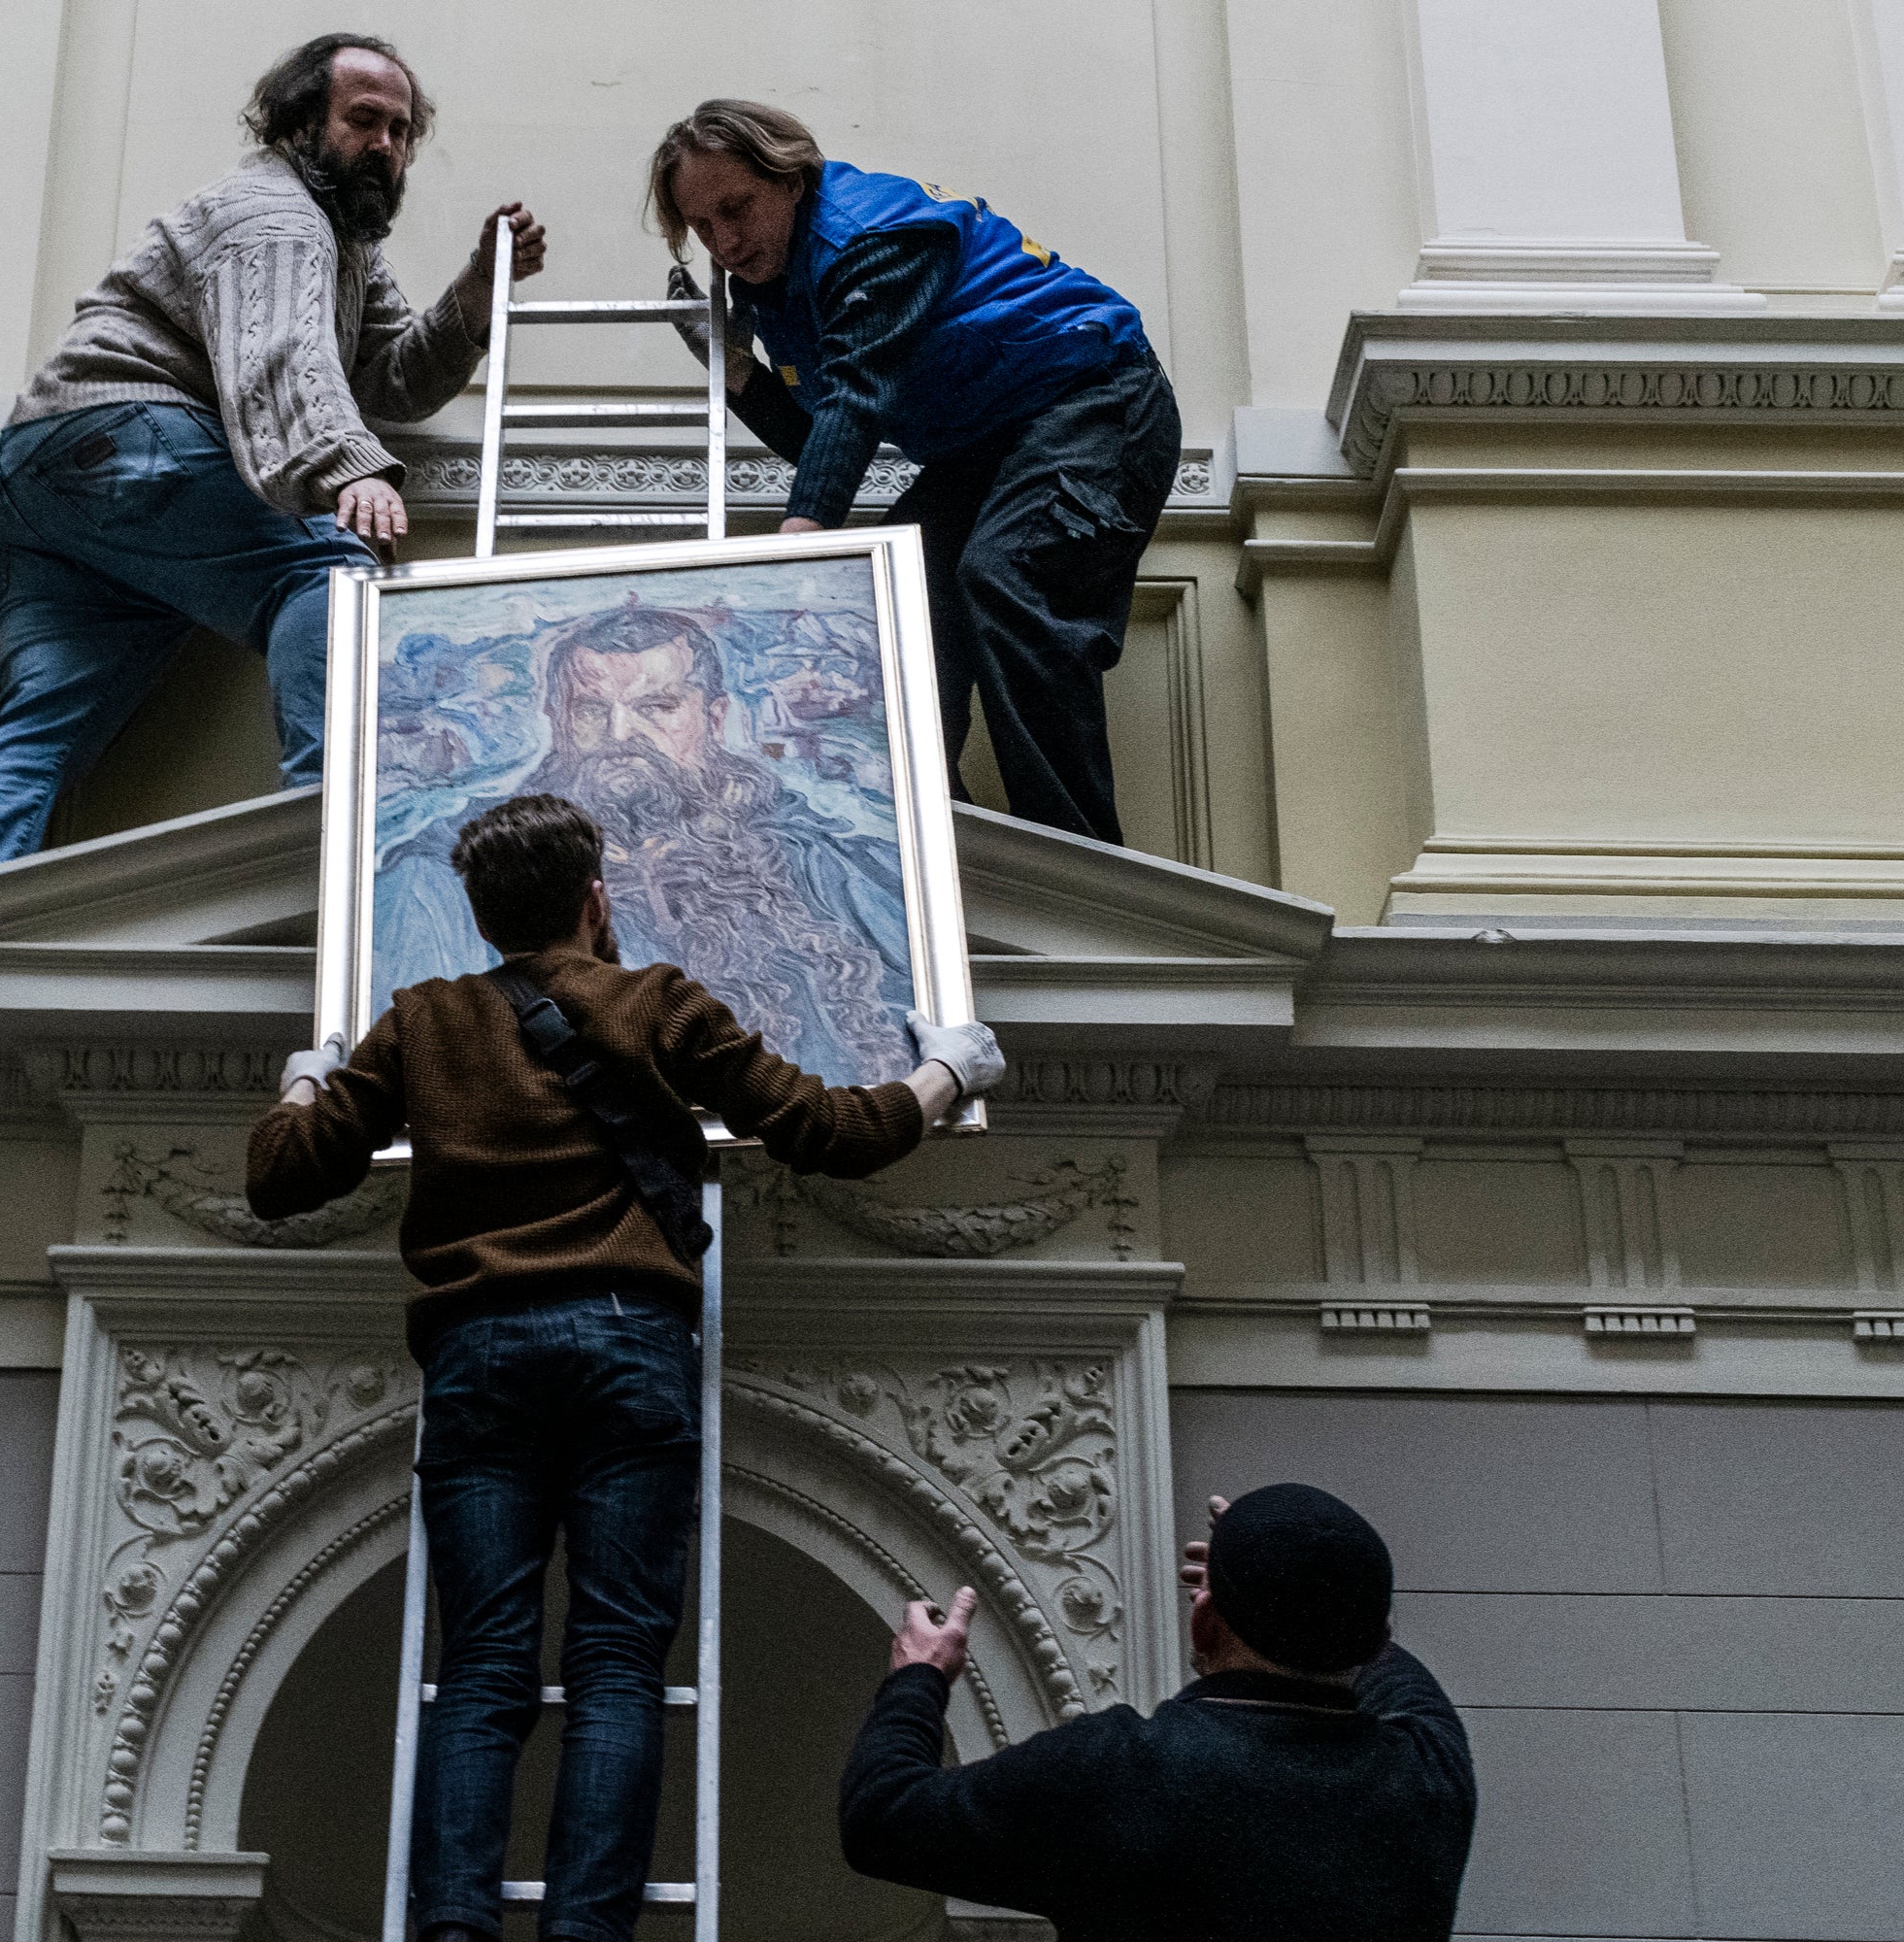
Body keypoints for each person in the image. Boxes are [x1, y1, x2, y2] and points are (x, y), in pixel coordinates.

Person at [248, 793, 1005, 1942]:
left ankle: (452, 1923)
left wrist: (309, 1075)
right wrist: (947, 1070)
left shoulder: (422, 1019)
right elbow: (833, 1132)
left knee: (484, 1663)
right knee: (612, 1662)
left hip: (478, 1352)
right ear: (596, 898)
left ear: (479, 912)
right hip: (625, 1342)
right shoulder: (656, 1003)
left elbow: (282, 1174)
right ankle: (588, 1929)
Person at [0, 33, 549, 886]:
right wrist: (345, 465)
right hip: (128, 439)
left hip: (46, 477)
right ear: (295, 124)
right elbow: (281, 356)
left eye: (400, 132)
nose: (385, 146)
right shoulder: (274, 216)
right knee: (329, 575)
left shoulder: (343, 246)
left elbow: (389, 377)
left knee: (43, 724)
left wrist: (475, 288)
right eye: (363, 120)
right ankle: (338, 854)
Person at [648, 100, 1181, 848]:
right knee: (891, 599)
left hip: (1094, 397)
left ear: (791, 180)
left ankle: (1079, 861)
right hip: (986, 444)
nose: (724, 241)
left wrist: (799, 541)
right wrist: (737, 372)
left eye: (735, 209)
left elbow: (858, 399)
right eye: (702, 227)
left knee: (1004, 578)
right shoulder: (771, 284)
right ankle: (936, 845)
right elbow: (823, 441)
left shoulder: (872, 238)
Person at [839, 1483, 1477, 1942]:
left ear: (1202, 1625)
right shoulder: (1432, 1776)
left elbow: (880, 1815)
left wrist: (918, 1676)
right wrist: (1281, 1575)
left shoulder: (1112, 1772)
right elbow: (1379, 1654)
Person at [375, 602, 914, 1084]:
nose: (619, 735)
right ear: (555, 720)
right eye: (589, 710)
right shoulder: (442, 880)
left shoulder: (828, 866)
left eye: (656, 707)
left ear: (715, 718)